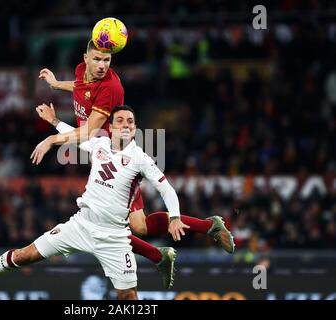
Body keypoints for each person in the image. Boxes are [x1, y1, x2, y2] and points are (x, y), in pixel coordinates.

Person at [0, 106, 187, 300]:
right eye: (120, 121)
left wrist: (174, 217)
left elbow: (166, 188)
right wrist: (53, 122)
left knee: (128, 296)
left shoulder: (141, 159)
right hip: (80, 226)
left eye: (130, 122)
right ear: (111, 127)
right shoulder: (99, 144)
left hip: (114, 237)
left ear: (135, 129)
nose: (126, 125)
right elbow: (74, 136)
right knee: (23, 255)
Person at [36, 41, 235, 265]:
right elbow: (82, 87)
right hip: (102, 155)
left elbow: (87, 134)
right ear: (85, 58)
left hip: (117, 160)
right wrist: (56, 85)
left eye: (106, 60)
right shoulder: (83, 73)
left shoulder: (110, 88)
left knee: (107, 226)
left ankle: (163, 252)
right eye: (97, 59)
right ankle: (201, 231)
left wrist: (53, 134)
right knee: (139, 226)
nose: (102, 65)